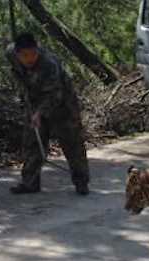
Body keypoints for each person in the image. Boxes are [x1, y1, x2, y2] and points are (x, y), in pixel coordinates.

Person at [5, 33, 90, 195]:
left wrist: (40, 113)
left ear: (37, 50)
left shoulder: (49, 64)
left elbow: (54, 95)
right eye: (24, 56)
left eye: (32, 54)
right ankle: (30, 182)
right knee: (31, 143)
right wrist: (30, 107)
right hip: (34, 101)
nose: (29, 59)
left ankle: (81, 182)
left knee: (73, 144)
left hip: (62, 104)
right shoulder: (10, 54)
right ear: (17, 54)